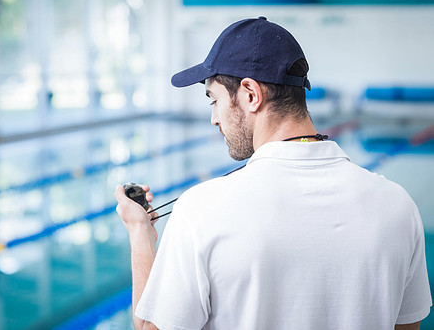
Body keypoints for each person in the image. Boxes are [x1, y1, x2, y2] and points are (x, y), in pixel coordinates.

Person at [114, 17, 432, 330]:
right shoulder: (397, 205)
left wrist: (141, 237)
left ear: (251, 94)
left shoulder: (200, 212)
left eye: (214, 100)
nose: (214, 119)